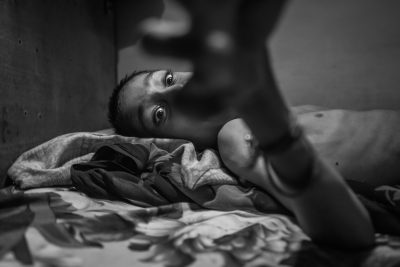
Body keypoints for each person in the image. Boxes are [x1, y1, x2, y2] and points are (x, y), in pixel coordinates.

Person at [107, 0, 385, 249]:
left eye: (167, 79)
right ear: (171, 142)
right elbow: (350, 233)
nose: (175, 89)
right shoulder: (234, 137)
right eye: (158, 114)